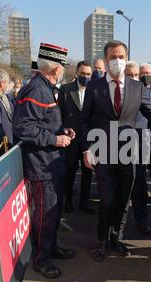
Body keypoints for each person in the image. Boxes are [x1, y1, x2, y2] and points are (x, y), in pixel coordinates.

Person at [80, 40, 151, 262]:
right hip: (103, 152)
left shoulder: (138, 87)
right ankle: (102, 240)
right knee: (106, 201)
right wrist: (86, 149)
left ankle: (116, 238)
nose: (118, 61)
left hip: (129, 154)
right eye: (113, 57)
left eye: (121, 56)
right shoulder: (95, 87)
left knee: (123, 201)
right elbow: (84, 121)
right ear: (106, 59)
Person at [13, 43, 76, 279]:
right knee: (45, 215)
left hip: (51, 162)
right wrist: (54, 139)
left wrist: (63, 131)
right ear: (56, 69)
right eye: (63, 67)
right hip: (42, 165)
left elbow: (43, 123)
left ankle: (51, 247)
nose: (63, 72)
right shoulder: (38, 89)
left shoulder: (44, 87)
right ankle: (41, 259)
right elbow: (23, 128)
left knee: (54, 211)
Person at [58, 61, 94, 215]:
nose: (85, 76)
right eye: (83, 73)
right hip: (71, 139)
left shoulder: (95, 91)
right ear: (77, 73)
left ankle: (84, 203)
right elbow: (59, 114)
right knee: (70, 171)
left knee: (87, 172)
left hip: (88, 139)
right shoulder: (66, 90)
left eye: (88, 74)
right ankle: (67, 202)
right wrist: (62, 130)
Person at [125, 61, 151, 234]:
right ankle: (116, 226)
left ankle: (142, 219)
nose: (134, 78)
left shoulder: (145, 92)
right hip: (117, 144)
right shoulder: (113, 93)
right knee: (121, 186)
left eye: (136, 75)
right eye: (130, 75)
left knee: (140, 185)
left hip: (141, 144)